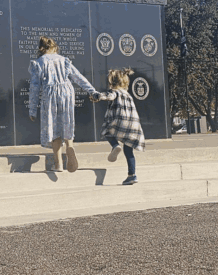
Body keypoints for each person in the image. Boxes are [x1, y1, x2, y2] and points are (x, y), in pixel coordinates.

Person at [28, 36, 97, 173]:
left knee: (54, 127)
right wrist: (92, 91)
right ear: (54, 47)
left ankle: (58, 163)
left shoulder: (38, 63)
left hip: (50, 93)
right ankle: (70, 148)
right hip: (66, 92)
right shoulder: (63, 60)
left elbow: (34, 88)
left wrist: (32, 110)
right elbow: (78, 77)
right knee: (67, 122)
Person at [91, 68, 145, 185]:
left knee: (107, 131)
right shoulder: (128, 95)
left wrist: (98, 96)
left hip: (120, 121)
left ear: (111, 82)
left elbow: (108, 96)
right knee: (128, 150)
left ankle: (115, 145)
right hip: (133, 125)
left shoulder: (115, 92)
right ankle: (132, 175)